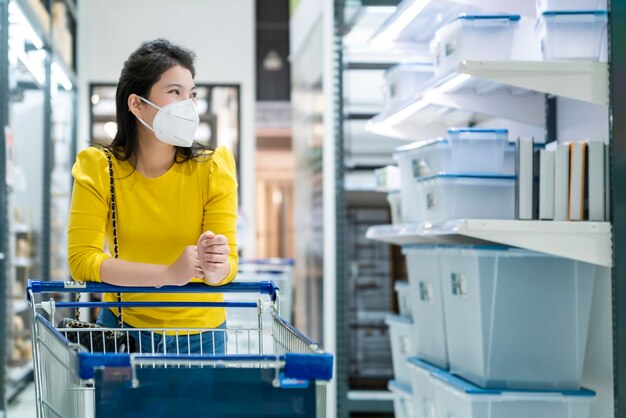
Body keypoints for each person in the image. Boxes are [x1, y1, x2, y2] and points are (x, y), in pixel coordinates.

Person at [67, 39, 238, 355]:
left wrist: (217, 267)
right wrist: (168, 275)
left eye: (192, 94)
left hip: (202, 337)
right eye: (175, 92)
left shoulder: (214, 168)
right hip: (124, 332)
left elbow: (228, 265)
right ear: (137, 104)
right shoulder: (98, 168)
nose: (187, 104)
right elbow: (82, 261)